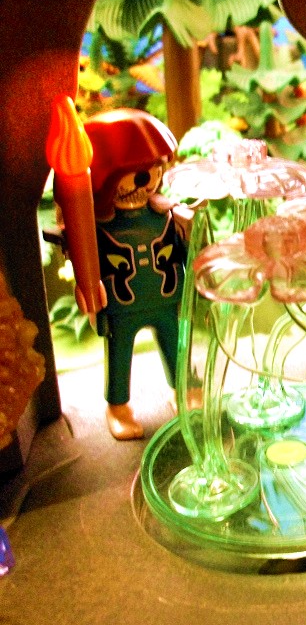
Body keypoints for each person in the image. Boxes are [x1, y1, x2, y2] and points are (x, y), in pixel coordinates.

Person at [80, 109, 187, 439]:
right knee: (119, 354)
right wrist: (87, 287)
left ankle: (183, 389)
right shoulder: (99, 226)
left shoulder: (166, 215)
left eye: (151, 169)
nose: (143, 180)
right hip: (121, 305)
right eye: (130, 174)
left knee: (176, 344)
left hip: (166, 296)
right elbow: (87, 260)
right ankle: (118, 406)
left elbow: (184, 249)